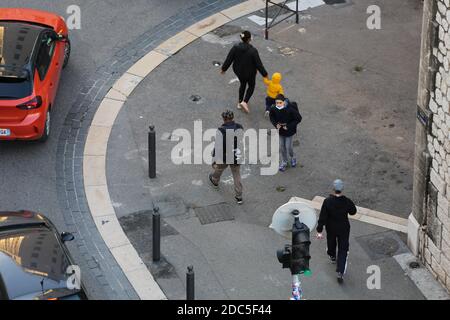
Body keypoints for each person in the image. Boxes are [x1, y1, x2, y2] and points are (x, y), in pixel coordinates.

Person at [316, 179, 357, 284]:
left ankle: (332, 255)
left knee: (331, 242)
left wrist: (319, 231)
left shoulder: (328, 201)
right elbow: (353, 212)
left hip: (331, 227)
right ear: (342, 189)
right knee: (343, 249)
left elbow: (323, 217)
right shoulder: (347, 201)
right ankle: (340, 271)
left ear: (333, 189)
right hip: (343, 228)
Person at [221, 30, 268, 113]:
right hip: (250, 73)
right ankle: (245, 102)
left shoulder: (235, 47)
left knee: (242, 85)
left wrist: (223, 69)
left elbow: (229, 59)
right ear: (249, 39)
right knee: (251, 86)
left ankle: (239, 102)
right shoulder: (253, 51)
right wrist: (265, 74)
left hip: (239, 72)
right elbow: (259, 65)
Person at [208, 110, 244, 204]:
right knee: (236, 174)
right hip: (236, 154)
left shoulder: (221, 130)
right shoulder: (239, 127)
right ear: (232, 117)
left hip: (225, 155)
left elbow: (218, 145)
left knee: (219, 169)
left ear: (224, 119)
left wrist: (214, 157)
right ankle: (239, 196)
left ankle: (215, 180)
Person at [269, 94, 302, 172]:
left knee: (288, 147)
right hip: (280, 130)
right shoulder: (274, 108)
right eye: (277, 103)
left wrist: (289, 126)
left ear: (284, 102)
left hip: (289, 131)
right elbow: (272, 117)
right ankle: (284, 162)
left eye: (280, 103)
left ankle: (293, 157)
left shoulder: (290, 109)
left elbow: (298, 118)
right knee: (282, 147)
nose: (278, 104)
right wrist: (275, 124)